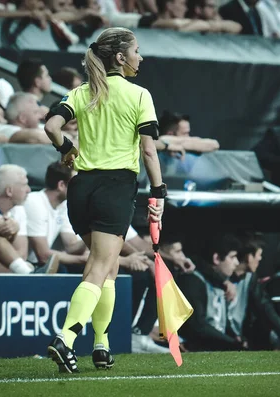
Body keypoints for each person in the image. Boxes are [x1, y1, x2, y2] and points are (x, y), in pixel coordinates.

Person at [44, 27, 165, 373]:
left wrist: (66, 148)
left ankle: (101, 346)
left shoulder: (81, 92)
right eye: (137, 51)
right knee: (98, 268)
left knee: (108, 267)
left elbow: (52, 126)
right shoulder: (139, 94)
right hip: (115, 188)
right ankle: (66, 339)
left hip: (80, 189)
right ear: (121, 57)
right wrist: (158, 194)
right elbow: (148, 151)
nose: (141, 57)